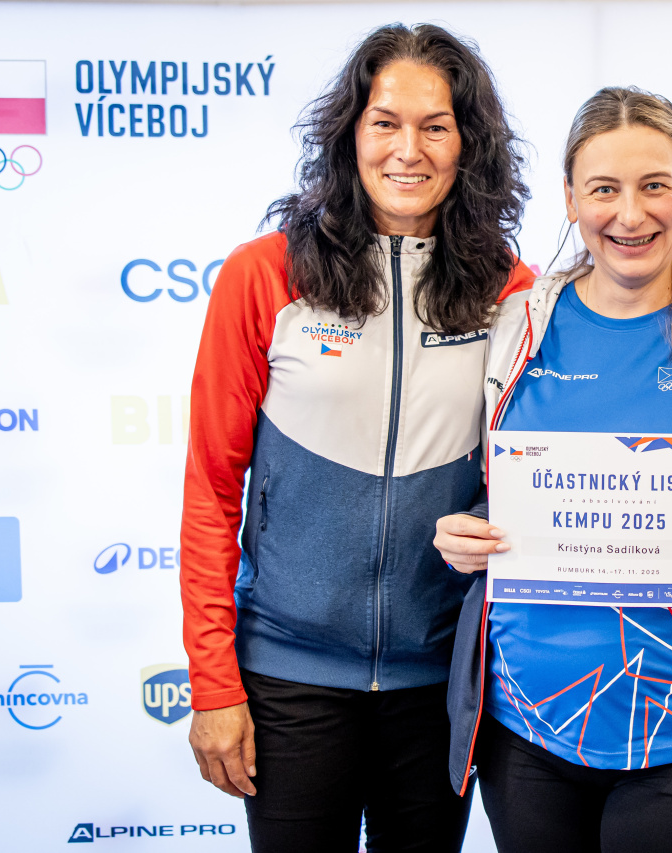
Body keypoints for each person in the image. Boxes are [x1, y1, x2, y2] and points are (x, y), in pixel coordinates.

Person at [431, 86, 672, 853]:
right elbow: (496, 488)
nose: (630, 214)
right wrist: (466, 533)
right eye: (604, 189)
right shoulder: (519, 322)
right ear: (571, 198)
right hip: (527, 721)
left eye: (654, 186)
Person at [180, 24, 533, 853]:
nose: (409, 150)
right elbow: (211, 490)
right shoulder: (264, 275)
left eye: (436, 126)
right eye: (385, 123)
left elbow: (539, 462)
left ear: (469, 145)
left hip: (439, 682)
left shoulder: (512, 291)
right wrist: (213, 682)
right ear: (350, 134)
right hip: (289, 676)